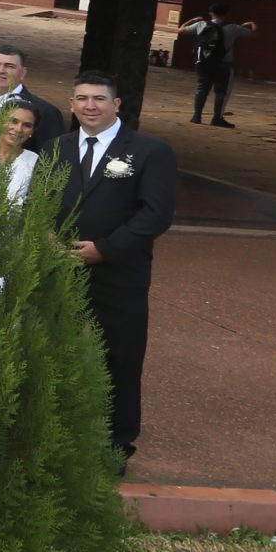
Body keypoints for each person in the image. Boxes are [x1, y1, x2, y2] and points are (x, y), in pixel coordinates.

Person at [53, 72, 178, 464]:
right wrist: (45, 236)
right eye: (82, 98)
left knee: (119, 358)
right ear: (71, 104)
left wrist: (104, 250)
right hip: (61, 270)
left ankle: (115, 446)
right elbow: (43, 197)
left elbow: (155, 215)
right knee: (57, 351)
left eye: (99, 99)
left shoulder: (149, 151)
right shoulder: (57, 147)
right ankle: (57, 434)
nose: (90, 105)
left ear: (116, 104)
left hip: (119, 273)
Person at [180, 3, 257, 127]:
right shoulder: (233, 28)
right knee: (222, 92)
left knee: (202, 89)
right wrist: (252, 24)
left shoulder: (201, 24)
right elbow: (255, 34)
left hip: (203, 63)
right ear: (227, 14)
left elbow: (181, 30)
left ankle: (196, 116)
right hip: (224, 65)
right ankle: (217, 118)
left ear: (210, 13)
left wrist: (193, 20)